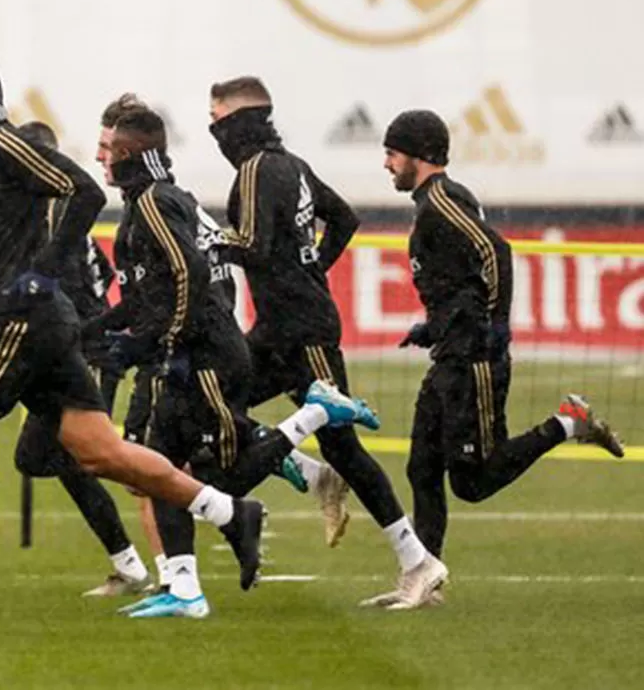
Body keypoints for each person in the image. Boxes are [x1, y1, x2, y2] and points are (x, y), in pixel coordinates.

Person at [0, 48, 264, 628]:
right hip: (41, 326)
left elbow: (84, 190)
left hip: (23, 321)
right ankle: (230, 511)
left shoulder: (6, 143)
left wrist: (46, 269)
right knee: (100, 452)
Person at [93, 96, 376, 618]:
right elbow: (155, 289)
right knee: (156, 468)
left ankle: (313, 417)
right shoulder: (148, 204)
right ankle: (184, 588)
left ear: (129, 150)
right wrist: (103, 333)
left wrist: (169, 340)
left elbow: (195, 276)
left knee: (207, 476)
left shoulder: (157, 202)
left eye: (106, 146)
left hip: (204, 354)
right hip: (189, 349)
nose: (98, 156)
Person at [207, 76, 453, 606]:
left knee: (343, 444)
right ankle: (315, 474)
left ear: (237, 123)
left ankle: (418, 561)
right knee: (215, 408)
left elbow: (250, 243)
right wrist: (311, 266)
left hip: (303, 331)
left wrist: (199, 245)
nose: (212, 130)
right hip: (280, 328)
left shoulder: (254, 171)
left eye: (216, 120)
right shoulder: (290, 164)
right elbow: (342, 217)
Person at [379, 110, 624, 608]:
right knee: (422, 467)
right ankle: (424, 574)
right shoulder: (436, 201)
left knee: (473, 480)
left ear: (418, 154)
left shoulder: (441, 202)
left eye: (392, 153)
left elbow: (496, 252)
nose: (386, 164)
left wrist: (493, 326)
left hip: (474, 360)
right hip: (452, 352)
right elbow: (464, 277)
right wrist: (436, 326)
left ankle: (567, 423)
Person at [8, 120, 152, 598]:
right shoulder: (61, 216)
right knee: (40, 457)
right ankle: (135, 548)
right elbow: (103, 272)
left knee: (82, 456)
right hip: (71, 352)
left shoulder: (50, 215)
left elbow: (64, 290)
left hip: (82, 353)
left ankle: (175, 492)